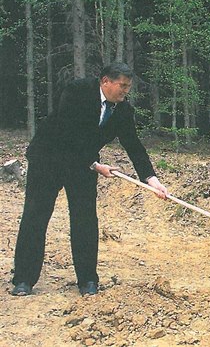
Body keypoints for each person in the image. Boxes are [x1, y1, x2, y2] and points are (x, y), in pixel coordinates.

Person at [11, 62, 169, 297]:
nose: (126, 91)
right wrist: (95, 164)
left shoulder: (124, 111)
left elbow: (134, 146)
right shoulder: (76, 91)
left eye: (128, 87)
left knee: (85, 220)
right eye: (122, 86)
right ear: (105, 81)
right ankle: (23, 279)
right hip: (49, 158)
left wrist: (151, 178)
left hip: (83, 166)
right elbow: (67, 132)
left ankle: (87, 280)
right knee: (36, 215)